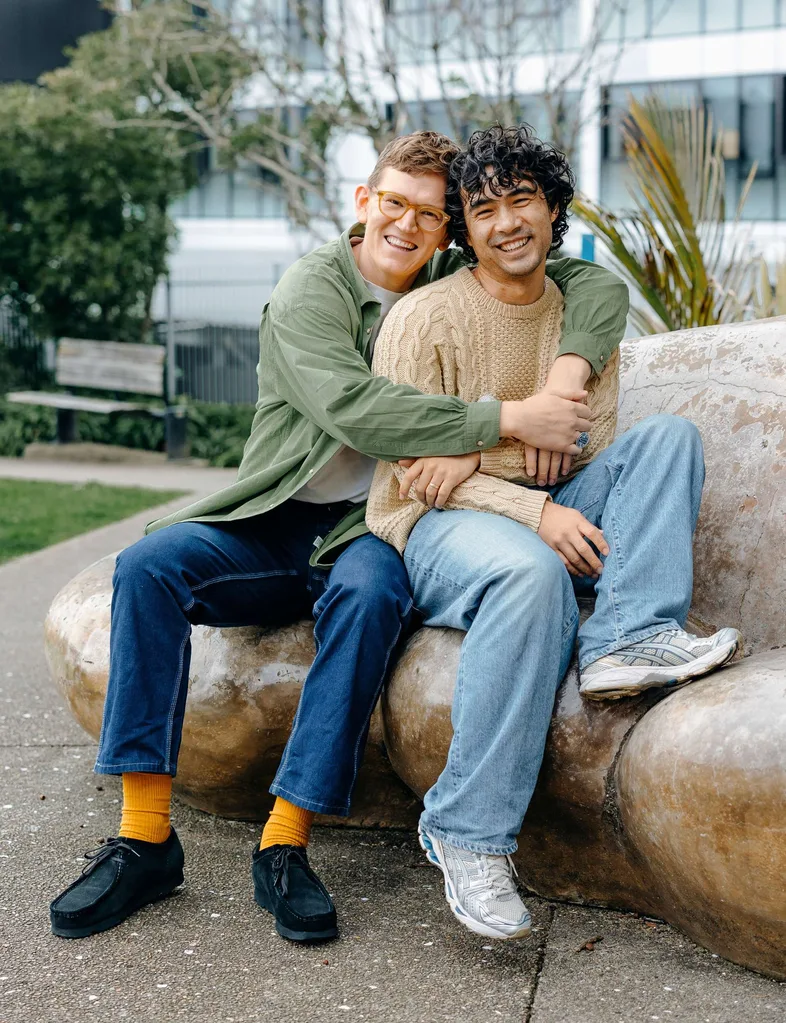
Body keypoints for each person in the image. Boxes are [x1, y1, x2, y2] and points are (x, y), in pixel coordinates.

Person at [49, 130, 630, 944]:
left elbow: (588, 286)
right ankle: (145, 835)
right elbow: (356, 407)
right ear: (365, 202)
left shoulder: (447, 280)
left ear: (447, 231)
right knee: (147, 566)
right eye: (394, 203)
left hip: (374, 526)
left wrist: (564, 373)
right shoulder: (310, 290)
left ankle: (285, 841)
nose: (408, 225)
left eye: (430, 215)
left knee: (367, 594)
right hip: (281, 519)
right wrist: (502, 419)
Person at [366, 124, 741, 942]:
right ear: (464, 228)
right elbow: (413, 471)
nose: (506, 222)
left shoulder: (581, 320)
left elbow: (580, 442)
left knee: (668, 437)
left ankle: (629, 634)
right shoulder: (426, 319)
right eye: (484, 207)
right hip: (435, 523)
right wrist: (534, 505)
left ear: (552, 209)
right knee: (532, 576)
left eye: (522, 200)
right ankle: (466, 833)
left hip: (519, 493)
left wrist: (476, 453)